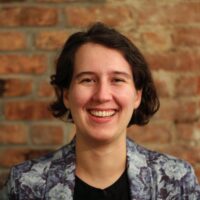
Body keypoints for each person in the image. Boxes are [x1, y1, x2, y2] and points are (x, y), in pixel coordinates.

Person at [1, 22, 200, 200]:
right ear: (66, 95)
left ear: (137, 95)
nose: (102, 95)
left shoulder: (177, 183)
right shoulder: (25, 186)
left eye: (117, 80)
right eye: (87, 80)